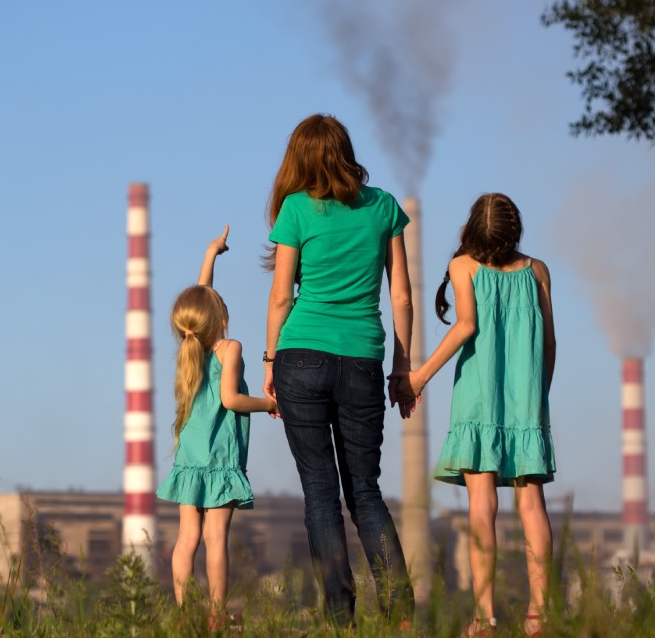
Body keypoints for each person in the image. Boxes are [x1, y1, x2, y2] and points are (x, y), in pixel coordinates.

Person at [263, 113, 416, 626]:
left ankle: (339, 619)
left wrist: (269, 362)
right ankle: (400, 615)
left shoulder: (295, 210)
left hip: (300, 355)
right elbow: (400, 294)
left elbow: (282, 294)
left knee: (321, 495)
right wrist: (403, 366)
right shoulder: (383, 207)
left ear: (299, 158)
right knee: (365, 491)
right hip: (363, 360)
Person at [408, 192, 556, 637]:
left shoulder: (463, 266)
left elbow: (466, 325)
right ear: (515, 230)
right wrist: (538, 398)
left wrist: (419, 377)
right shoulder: (537, 270)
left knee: (480, 508)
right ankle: (539, 615)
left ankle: (485, 616)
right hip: (527, 403)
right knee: (532, 505)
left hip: (477, 400)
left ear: (472, 228)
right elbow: (549, 343)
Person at [156, 225, 277, 627]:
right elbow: (231, 400)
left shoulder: (190, 350)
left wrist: (211, 253)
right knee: (215, 540)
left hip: (191, 456)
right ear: (222, 318)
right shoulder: (230, 348)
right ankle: (215, 616)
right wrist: (270, 404)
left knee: (186, 537)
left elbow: (199, 298)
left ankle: (181, 613)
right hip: (221, 456)